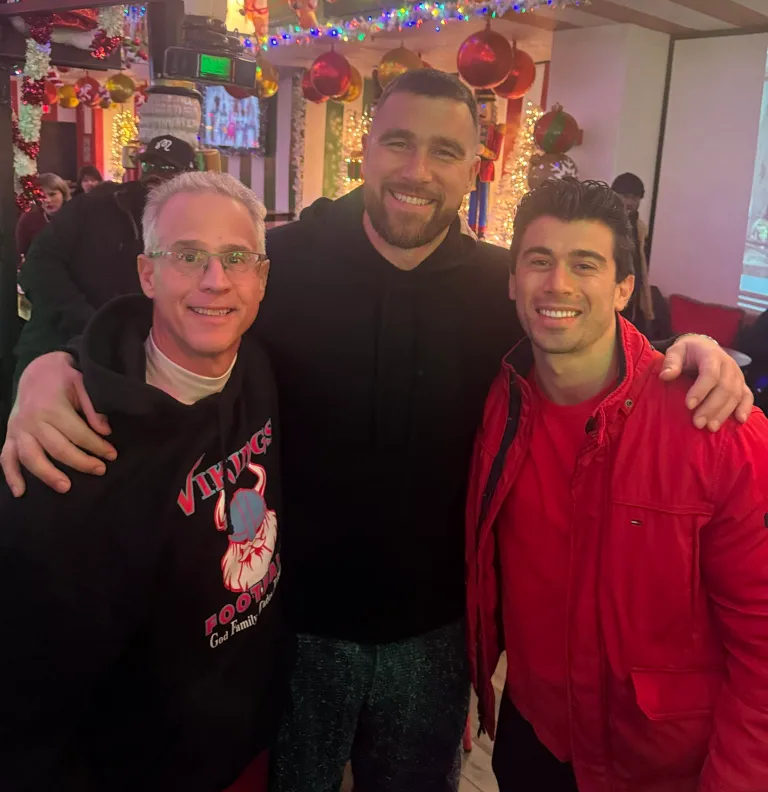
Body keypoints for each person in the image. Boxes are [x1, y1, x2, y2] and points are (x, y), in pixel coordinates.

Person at [1, 71, 753, 792]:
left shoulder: (507, 288)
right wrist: (52, 370)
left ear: (474, 170)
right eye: (398, 143)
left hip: (435, 638)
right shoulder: (278, 264)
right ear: (366, 150)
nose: (416, 169)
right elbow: (168, 319)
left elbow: (609, 338)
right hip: (288, 630)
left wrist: (706, 356)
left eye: (445, 151)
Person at [466, 179, 768, 792]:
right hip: (533, 741)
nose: (558, 285)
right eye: (539, 261)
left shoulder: (714, 427)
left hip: (660, 767)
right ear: (512, 279)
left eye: (586, 264)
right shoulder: (499, 400)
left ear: (625, 287)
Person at [0, 171, 285, 792]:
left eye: (236, 258)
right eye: (188, 256)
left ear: (261, 277)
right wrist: (47, 369)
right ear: (147, 274)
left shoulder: (260, 368)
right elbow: (30, 690)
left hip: (249, 743)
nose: (216, 279)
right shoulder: (69, 447)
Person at [13, 135, 196, 383]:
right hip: (56, 352)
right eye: (149, 166)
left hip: (125, 367)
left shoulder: (188, 228)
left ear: (189, 176)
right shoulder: (94, 206)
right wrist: (91, 325)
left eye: (167, 169)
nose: (155, 175)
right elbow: (37, 267)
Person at [611, 172, 653, 334]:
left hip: (631, 298)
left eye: (635, 198)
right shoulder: (602, 223)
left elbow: (640, 267)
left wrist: (647, 308)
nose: (629, 202)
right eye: (624, 196)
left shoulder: (640, 227)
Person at [15, 172, 70, 264]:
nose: (47, 200)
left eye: (52, 194)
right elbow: (22, 251)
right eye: (41, 196)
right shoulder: (28, 219)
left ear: (63, 194)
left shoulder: (76, 216)